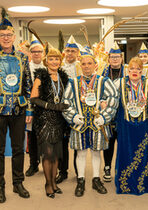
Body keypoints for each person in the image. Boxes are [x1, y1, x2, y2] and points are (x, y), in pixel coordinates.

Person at [62, 52, 118, 197]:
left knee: (96, 152)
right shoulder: (73, 82)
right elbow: (66, 101)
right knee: (80, 153)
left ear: (95, 65)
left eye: (89, 63)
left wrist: (104, 117)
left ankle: (96, 179)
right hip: (79, 124)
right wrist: (73, 116)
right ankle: (80, 180)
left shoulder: (104, 81)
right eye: (84, 64)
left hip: (97, 123)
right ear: (80, 66)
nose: (86, 66)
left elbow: (113, 98)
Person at [114, 57, 148, 195]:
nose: (134, 71)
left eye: (137, 69)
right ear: (127, 70)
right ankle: (127, 184)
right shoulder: (119, 83)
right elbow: (110, 97)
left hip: (146, 126)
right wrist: (105, 103)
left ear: (142, 71)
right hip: (126, 127)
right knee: (127, 153)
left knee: (147, 153)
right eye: (132, 69)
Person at [0, 8, 32, 203]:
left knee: (19, 149)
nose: (5, 38)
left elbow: (28, 84)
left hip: (19, 110)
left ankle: (18, 183)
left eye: (8, 35)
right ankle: (0, 186)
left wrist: (29, 109)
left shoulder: (22, 57)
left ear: (14, 37)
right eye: (2, 35)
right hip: (0, 110)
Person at [30, 48, 69, 198]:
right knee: (48, 154)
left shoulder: (63, 77)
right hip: (44, 119)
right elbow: (33, 98)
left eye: (57, 59)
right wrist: (50, 106)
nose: (54, 62)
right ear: (47, 61)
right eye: (51, 59)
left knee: (56, 155)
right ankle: (48, 184)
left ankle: (54, 182)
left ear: (60, 61)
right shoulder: (41, 75)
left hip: (59, 120)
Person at [101, 42, 128, 182]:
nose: (115, 59)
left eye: (118, 57)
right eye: (112, 57)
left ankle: (123, 169)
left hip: (124, 114)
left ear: (122, 58)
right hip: (108, 114)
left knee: (124, 143)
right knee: (109, 142)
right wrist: (101, 102)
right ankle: (107, 167)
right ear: (109, 59)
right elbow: (98, 91)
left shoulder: (129, 71)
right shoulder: (103, 73)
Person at [56, 35, 81, 184]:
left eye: (73, 51)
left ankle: (79, 173)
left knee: (78, 142)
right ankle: (62, 171)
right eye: (67, 50)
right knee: (61, 143)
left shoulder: (82, 66)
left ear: (77, 53)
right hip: (60, 110)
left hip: (77, 110)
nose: (70, 53)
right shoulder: (58, 67)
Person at [25, 34, 45, 177]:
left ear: (43, 53)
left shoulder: (47, 68)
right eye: (34, 51)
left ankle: (47, 164)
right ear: (30, 53)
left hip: (44, 108)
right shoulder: (25, 68)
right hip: (29, 108)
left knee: (44, 137)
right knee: (32, 137)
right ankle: (33, 164)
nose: (36, 54)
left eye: (39, 51)